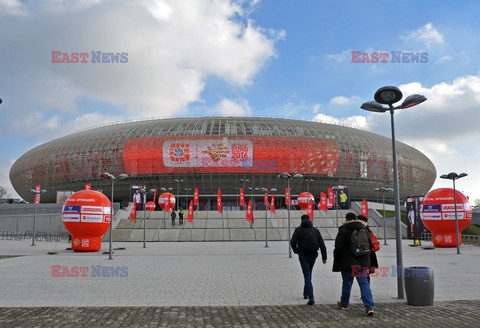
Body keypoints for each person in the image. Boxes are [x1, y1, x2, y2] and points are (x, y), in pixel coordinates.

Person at [333, 212, 375, 316]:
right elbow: (370, 245)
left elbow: (338, 247)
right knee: (363, 283)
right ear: (356, 219)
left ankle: (344, 304)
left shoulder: (343, 230)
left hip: (347, 262)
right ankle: (369, 307)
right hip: (362, 262)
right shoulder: (364, 229)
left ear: (346, 220)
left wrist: (337, 258)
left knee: (347, 283)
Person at [290, 214, 327, 306]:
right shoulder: (315, 230)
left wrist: (296, 251)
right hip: (313, 255)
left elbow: (293, 242)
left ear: (301, 220)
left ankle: (311, 297)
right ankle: (305, 293)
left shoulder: (298, 230)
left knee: (307, 276)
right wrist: (324, 257)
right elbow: (322, 244)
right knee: (308, 274)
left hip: (303, 255)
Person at [357, 215, 379, 285]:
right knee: (366, 274)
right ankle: (367, 290)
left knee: (364, 274)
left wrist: (357, 251)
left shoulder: (362, 230)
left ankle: (366, 291)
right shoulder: (368, 229)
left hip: (365, 254)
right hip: (370, 253)